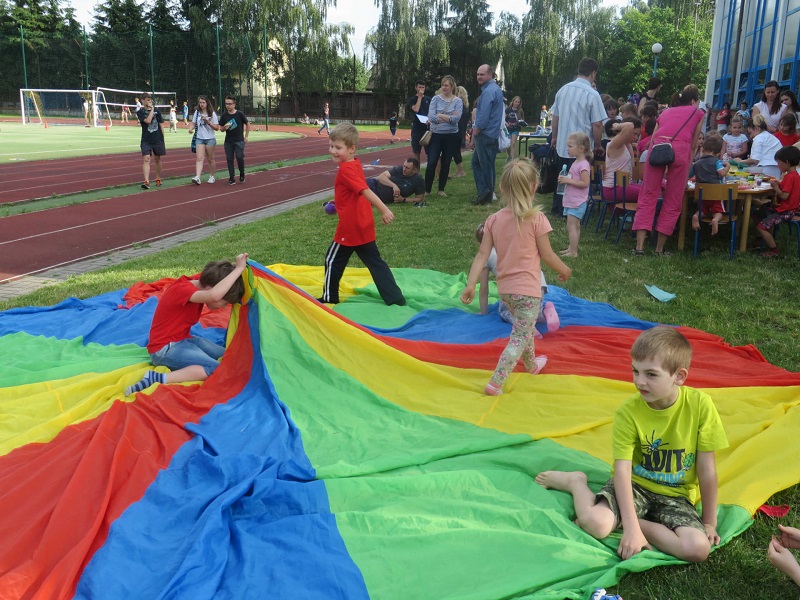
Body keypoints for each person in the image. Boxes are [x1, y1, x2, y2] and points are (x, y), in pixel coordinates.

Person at [535, 326, 728, 563]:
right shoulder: (628, 412)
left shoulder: (701, 406)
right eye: (635, 371)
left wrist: (709, 522)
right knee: (596, 524)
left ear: (679, 376)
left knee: (698, 550)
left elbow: (707, 470)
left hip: (675, 496)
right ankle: (576, 482)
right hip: (634, 486)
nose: (639, 382)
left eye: (651, 374)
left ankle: (635, 523)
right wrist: (631, 530)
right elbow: (623, 471)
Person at [460, 159, 572, 396]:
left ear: (502, 187)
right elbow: (548, 255)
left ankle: (531, 364)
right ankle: (496, 382)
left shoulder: (494, 220)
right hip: (529, 292)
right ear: (534, 187)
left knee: (525, 327)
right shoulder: (537, 219)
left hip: (506, 292)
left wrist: (471, 285)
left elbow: (482, 255)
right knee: (519, 336)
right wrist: (564, 270)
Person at [124, 254, 248, 397]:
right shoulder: (183, 290)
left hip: (183, 340)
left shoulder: (200, 283)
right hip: (164, 349)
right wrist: (239, 269)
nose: (224, 307)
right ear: (209, 288)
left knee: (228, 355)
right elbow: (214, 295)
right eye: (225, 302)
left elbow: (217, 276)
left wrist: (237, 270)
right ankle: (156, 378)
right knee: (215, 369)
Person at [317, 123, 406, 306]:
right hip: (364, 225)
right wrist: (337, 203)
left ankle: (329, 296)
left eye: (338, 147)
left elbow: (365, 191)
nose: (333, 151)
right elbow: (353, 192)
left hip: (349, 229)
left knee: (332, 260)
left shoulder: (344, 170)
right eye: (331, 146)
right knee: (376, 263)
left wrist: (385, 209)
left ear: (352, 149)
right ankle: (395, 298)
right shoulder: (355, 164)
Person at [632, 84, 705, 256]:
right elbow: (694, 142)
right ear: (694, 101)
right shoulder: (698, 113)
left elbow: (654, 136)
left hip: (657, 149)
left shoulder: (665, 113)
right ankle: (659, 249)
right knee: (673, 199)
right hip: (680, 150)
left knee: (647, 195)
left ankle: (639, 247)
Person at [474, 221, 560, 334]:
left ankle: (527, 328)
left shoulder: (486, 256)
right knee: (533, 309)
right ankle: (544, 312)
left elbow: (483, 288)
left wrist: (483, 312)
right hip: (537, 281)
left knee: (505, 312)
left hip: (514, 288)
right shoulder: (514, 245)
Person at [550, 57, 607, 215]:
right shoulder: (593, 94)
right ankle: (573, 208)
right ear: (593, 73)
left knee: (562, 175)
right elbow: (597, 124)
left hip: (563, 143)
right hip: (581, 146)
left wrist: (554, 136)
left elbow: (555, 116)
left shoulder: (563, 90)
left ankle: (558, 206)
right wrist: (597, 145)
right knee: (578, 177)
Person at [751, 145, 800, 257]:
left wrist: (776, 188)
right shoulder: (795, 175)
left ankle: (773, 250)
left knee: (761, 226)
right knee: (758, 212)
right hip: (787, 209)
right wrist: (779, 183)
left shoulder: (790, 177)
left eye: (778, 163)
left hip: (785, 211)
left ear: (786, 162)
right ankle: (761, 239)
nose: (777, 165)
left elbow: (784, 196)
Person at [468, 64, 505, 206]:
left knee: (483, 165)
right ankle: (486, 192)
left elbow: (482, 118)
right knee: (482, 164)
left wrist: (475, 134)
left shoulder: (488, 92)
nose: (478, 77)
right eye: (477, 74)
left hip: (485, 134)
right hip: (492, 134)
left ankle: (486, 193)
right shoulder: (496, 90)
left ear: (490, 75)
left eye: (481, 74)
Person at [424, 75, 463, 199]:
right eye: (442, 85)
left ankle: (441, 189)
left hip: (451, 136)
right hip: (436, 135)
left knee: (446, 162)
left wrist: (440, 115)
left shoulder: (458, 101)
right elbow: (431, 117)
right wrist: (448, 117)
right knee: (431, 162)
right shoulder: (435, 99)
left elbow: (456, 120)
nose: (444, 87)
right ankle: (427, 190)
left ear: (452, 86)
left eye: (446, 85)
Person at [558, 132, 593, 257]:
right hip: (573, 200)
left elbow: (585, 183)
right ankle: (571, 248)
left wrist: (568, 180)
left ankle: (573, 252)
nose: (568, 149)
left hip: (577, 201)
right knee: (575, 226)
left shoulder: (583, 165)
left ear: (581, 149)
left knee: (571, 226)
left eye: (570, 146)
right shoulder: (576, 162)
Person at [691, 133, 731, 235]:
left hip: (702, 195)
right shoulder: (717, 162)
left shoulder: (697, 163)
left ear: (703, 149)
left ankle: (696, 216)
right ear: (718, 153)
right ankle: (716, 220)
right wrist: (727, 167)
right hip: (716, 195)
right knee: (719, 211)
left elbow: (690, 175)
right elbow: (721, 173)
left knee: (702, 210)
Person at [136, 92, 165, 190]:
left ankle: (158, 178)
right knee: (146, 158)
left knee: (157, 159)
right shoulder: (140, 112)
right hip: (146, 139)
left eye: (150, 99)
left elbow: (161, 124)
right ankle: (146, 181)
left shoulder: (157, 111)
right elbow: (148, 121)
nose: (149, 101)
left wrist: (163, 138)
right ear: (142, 101)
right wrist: (152, 109)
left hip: (157, 139)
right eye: (147, 100)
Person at [188, 95, 220, 185]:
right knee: (199, 158)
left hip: (210, 139)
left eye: (203, 102)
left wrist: (208, 122)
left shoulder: (212, 114)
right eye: (200, 102)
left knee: (210, 159)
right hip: (199, 138)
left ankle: (212, 176)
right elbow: (193, 123)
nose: (201, 104)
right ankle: (198, 177)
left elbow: (217, 127)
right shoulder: (197, 112)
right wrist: (191, 128)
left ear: (207, 103)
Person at [219, 95, 250, 185]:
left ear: (234, 104)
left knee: (240, 157)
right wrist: (224, 128)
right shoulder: (224, 115)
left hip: (239, 140)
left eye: (229, 104)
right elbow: (221, 129)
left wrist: (246, 136)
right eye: (226, 104)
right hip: (228, 141)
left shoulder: (239, 114)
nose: (228, 105)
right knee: (229, 159)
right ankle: (231, 177)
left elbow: (248, 124)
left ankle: (242, 174)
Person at [743, 114, 783, 178]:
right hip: (776, 168)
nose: (750, 136)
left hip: (765, 169)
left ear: (757, 128)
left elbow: (755, 160)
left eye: (750, 133)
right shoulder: (770, 137)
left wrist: (739, 161)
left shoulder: (758, 138)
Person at [407, 80, 432, 165]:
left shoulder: (429, 99)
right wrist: (420, 97)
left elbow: (432, 112)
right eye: (419, 87)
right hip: (417, 129)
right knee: (416, 152)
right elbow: (416, 109)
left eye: (423, 87)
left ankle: (432, 171)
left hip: (427, 129)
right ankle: (416, 173)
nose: (421, 89)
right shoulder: (412, 99)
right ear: (416, 88)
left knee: (430, 152)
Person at [451, 85, 470, 178]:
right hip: (461, 131)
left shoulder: (459, 105)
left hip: (456, 131)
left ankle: (460, 171)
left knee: (455, 151)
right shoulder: (465, 105)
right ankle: (459, 170)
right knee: (456, 151)